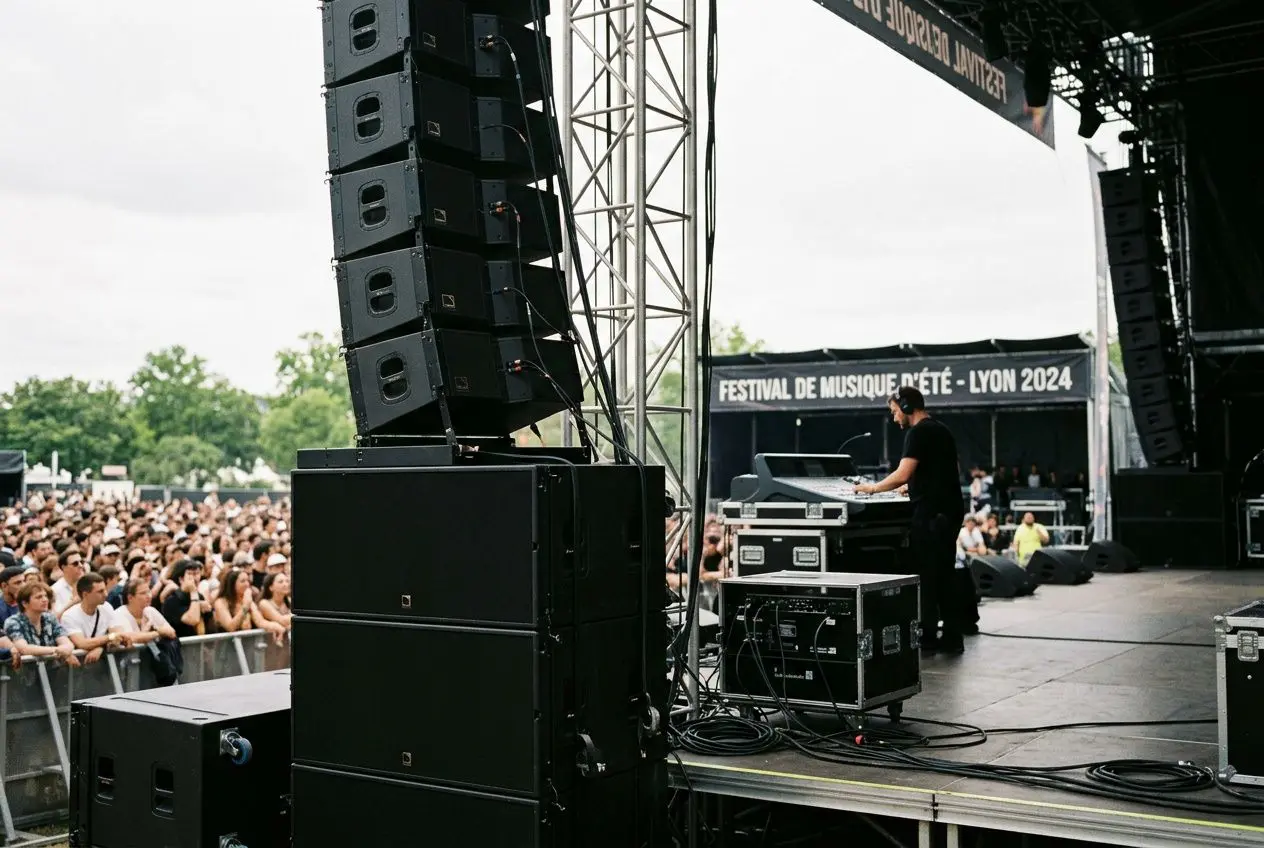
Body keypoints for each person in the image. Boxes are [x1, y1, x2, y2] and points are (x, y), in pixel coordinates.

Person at [855, 386, 967, 654]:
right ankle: (953, 638)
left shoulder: (918, 432)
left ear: (906, 407)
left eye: (894, 411)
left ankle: (927, 640)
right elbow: (943, 470)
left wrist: (871, 488)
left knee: (926, 577)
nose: (894, 418)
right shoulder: (941, 429)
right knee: (945, 576)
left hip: (929, 516)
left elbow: (903, 473)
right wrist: (916, 485)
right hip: (949, 512)